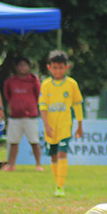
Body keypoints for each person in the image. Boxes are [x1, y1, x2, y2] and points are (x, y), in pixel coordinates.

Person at [38, 50, 84, 197]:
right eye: (55, 68)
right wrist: (46, 125)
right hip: (51, 127)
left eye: (61, 68)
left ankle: (60, 187)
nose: (58, 71)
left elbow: (77, 104)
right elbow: (43, 107)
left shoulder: (71, 84)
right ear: (49, 68)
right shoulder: (46, 85)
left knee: (62, 152)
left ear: (66, 67)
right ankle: (57, 183)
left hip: (65, 125)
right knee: (53, 156)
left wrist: (80, 125)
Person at [2, 56, 44, 172]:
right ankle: (11, 165)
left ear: (29, 67)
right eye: (20, 65)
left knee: (34, 141)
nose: (23, 68)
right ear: (16, 67)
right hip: (15, 116)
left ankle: (38, 164)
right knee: (13, 142)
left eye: (25, 65)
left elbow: (38, 95)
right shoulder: (10, 82)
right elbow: (8, 95)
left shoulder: (34, 80)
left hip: (31, 117)